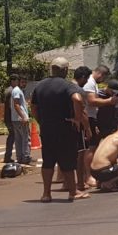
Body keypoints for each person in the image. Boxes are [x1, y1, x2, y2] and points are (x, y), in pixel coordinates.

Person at [32, 57, 88, 203]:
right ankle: (73, 192)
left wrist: (40, 121)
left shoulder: (40, 86)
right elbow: (77, 99)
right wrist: (76, 118)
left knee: (48, 161)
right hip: (64, 127)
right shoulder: (67, 85)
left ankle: (46, 194)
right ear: (64, 70)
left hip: (46, 128)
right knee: (68, 161)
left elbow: (33, 107)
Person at [10, 77, 31, 165]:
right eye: (22, 82)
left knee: (19, 139)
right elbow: (16, 105)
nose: (24, 84)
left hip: (15, 119)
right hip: (20, 119)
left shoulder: (17, 90)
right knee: (25, 138)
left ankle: (20, 157)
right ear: (18, 82)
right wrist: (23, 116)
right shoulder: (17, 91)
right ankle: (25, 157)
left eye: (25, 82)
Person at [2, 75, 18, 163]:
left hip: (8, 117)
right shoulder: (11, 91)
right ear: (13, 81)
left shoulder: (8, 90)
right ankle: (7, 156)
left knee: (12, 136)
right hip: (10, 117)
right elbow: (10, 106)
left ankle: (8, 156)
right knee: (12, 136)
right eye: (16, 81)